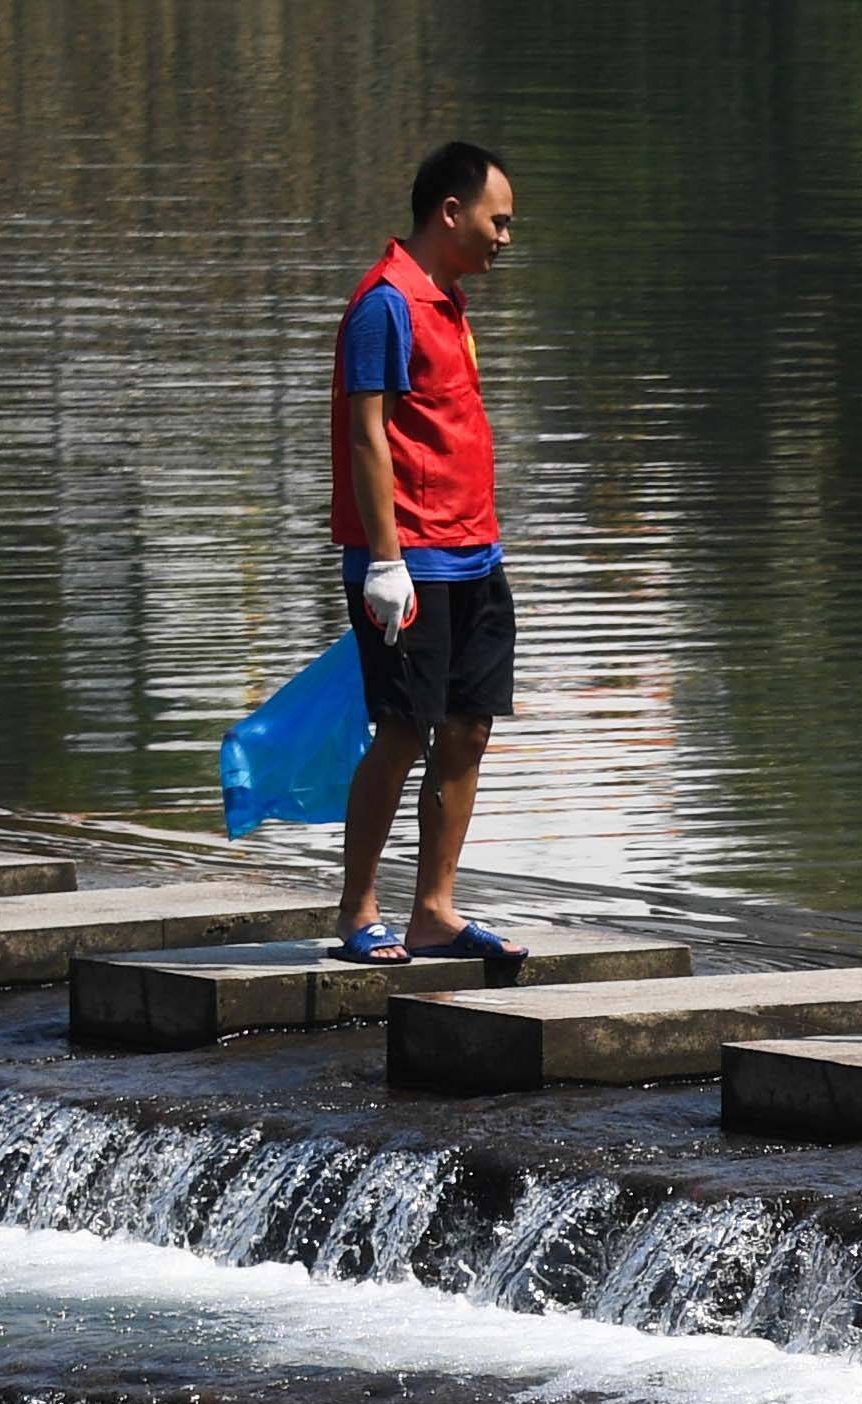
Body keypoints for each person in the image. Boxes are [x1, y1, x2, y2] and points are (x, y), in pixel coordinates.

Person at [331, 140, 525, 965]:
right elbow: (366, 433)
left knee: (469, 728)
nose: (505, 238)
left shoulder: (444, 299)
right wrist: (384, 559)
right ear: (451, 212)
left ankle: (435, 912)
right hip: (409, 562)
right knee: (405, 730)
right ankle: (357, 910)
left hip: (475, 554)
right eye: (498, 220)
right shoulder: (385, 302)